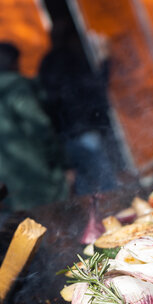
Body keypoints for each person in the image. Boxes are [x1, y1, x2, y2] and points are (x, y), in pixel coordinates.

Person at [0, 41, 70, 210]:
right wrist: (63, 166)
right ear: (15, 62)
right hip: (37, 178)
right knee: (61, 226)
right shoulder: (18, 88)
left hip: (5, 190)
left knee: (27, 232)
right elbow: (41, 127)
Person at [37, 21, 120, 196]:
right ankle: (117, 217)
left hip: (66, 136)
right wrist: (105, 61)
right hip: (85, 130)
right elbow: (95, 88)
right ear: (71, 38)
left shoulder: (46, 64)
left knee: (85, 187)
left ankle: (93, 220)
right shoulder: (71, 60)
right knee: (106, 183)